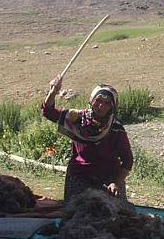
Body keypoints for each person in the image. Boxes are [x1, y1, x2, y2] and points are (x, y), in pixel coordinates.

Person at [42, 75, 134, 203]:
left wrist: (116, 183)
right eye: (98, 100)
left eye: (107, 103)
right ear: (91, 100)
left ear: (113, 106)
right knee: (78, 214)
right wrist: (53, 92)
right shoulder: (76, 119)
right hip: (79, 178)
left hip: (109, 180)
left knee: (116, 216)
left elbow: (128, 160)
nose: (101, 106)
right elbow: (48, 111)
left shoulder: (115, 130)